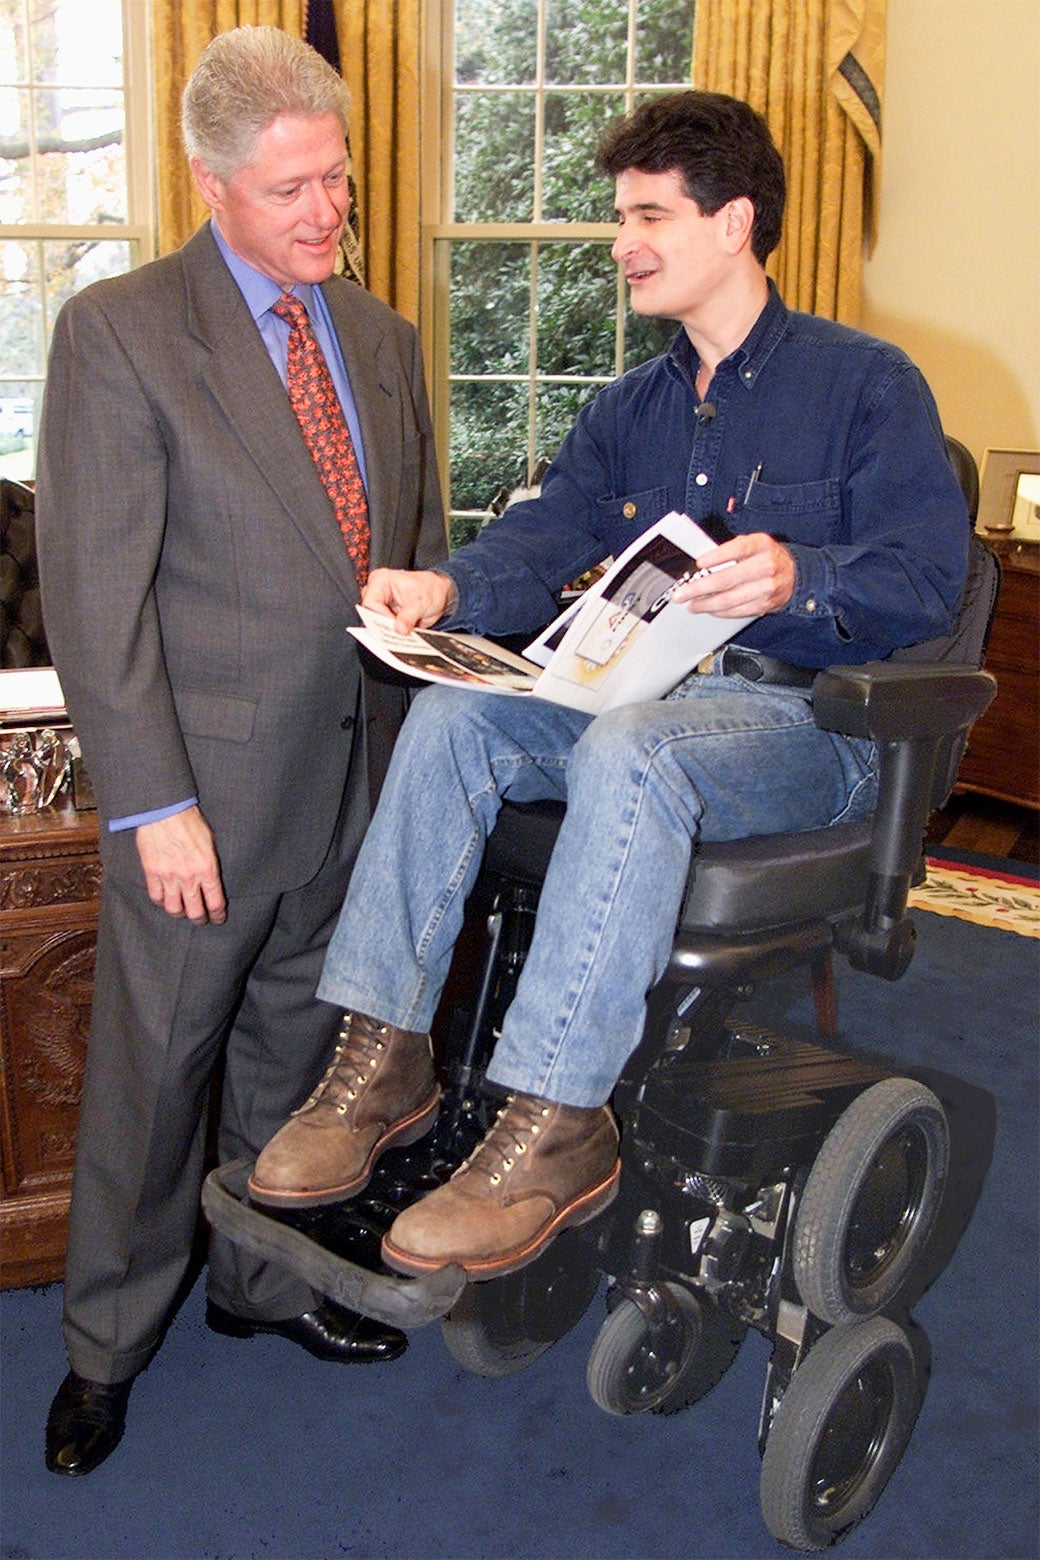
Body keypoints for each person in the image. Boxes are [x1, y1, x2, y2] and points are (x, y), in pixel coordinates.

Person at [248, 91, 969, 1285]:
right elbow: (539, 546)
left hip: (806, 720)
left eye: (647, 214)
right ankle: (382, 1061)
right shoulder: (630, 408)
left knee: (630, 746)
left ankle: (551, 1120)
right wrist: (444, 587)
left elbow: (924, 584)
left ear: (732, 223)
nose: (621, 241)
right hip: (634, 699)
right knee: (454, 718)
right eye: (618, 215)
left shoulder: (865, 386)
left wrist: (801, 572)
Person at [34, 26, 446, 1477]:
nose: (326, 211)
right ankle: (103, 1347)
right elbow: (95, 593)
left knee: (299, 1059)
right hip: (199, 800)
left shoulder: (387, 339)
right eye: (291, 191)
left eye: (337, 179)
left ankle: (260, 1286)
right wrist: (154, 802)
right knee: (155, 1081)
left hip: (356, 780)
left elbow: (419, 554)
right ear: (212, 183)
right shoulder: (126, 332)